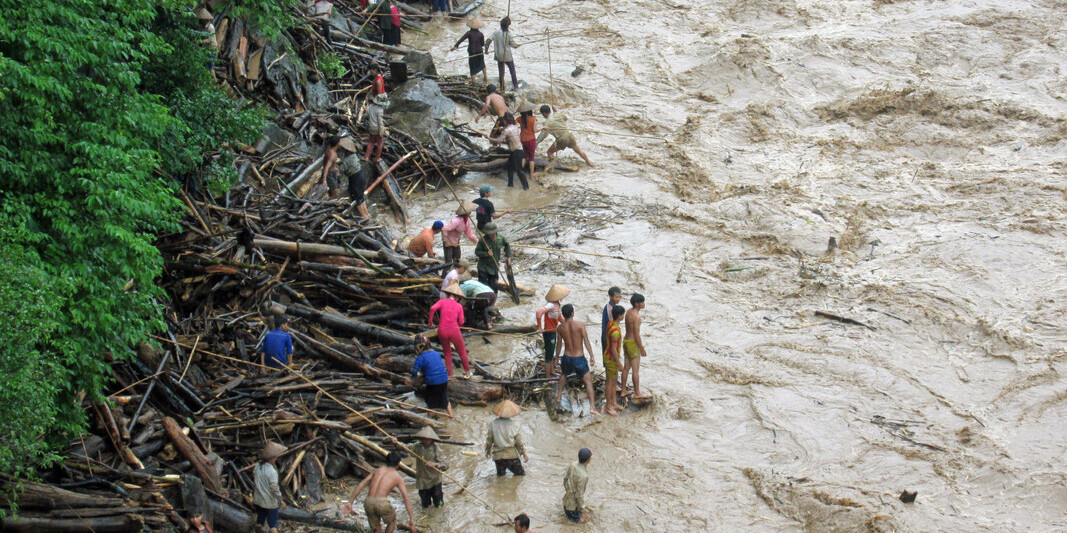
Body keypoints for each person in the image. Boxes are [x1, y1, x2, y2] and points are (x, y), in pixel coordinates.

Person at [342, 452, 415, 533]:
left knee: (376, 526)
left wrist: (350, 502)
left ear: (386, 461)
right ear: (398, 464)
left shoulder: (376, 471)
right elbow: (406, 498)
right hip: (382, 503)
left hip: (368, 501)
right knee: (392, 522)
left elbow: (361, 485)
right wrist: (411, 519)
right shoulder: (397, 476)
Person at [554, 304, 598, 415]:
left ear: (563, 315)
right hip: (579, 358)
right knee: (588, 381)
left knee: (563, 374)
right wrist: (592, 355)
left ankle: (559, 396)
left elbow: (559, 344)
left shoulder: (560, 328)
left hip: (567, 357)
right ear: (572, 313)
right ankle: (592, 407)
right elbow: (586, 341)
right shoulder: (580, 325)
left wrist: (556, 358)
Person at [429, 284, 471, 379]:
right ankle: (468, 372)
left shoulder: (442, 302)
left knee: (447, 352)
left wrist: (430, 322)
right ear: (457, 297)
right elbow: (461, 322)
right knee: (462, 351)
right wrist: (458, 325)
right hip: (454, 330)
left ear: (448, 294)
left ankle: (450, 375)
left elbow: (432, 309)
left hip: (442, 330)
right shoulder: (459, 306)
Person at [410, 335, 453, 417]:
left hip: (433, 382)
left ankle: (430, 419)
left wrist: (413, 379)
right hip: (444, 379)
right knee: (444, 397)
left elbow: (414, 371)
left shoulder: (420, 358)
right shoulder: (436, 353)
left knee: (431, 402)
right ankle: (451, 415)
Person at [405, 427, 447, 508]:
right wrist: (396, 443)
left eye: (427, 439)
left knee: (439, 504)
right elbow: (406, 448)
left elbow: (445, 464)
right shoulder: (417, 446)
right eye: (423, 439)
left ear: (431, 440)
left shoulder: (436, 449)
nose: (425, 441)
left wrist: (435, 464)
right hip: (422, 480)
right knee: (425, 504)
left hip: (434, 480)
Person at [620, 293, 651, 400]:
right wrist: (642, 348)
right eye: (642, 302)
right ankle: (637, 392)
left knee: (626, 367)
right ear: (637, 304)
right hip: (633, 343)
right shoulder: (637, 317)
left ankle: (623, 390)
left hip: (626, 341)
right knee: (635, 369)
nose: (644, 304)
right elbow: (637, 334)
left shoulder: (628, 312)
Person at [485, 399, 527, 477]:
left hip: (498, 457)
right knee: (520, 476)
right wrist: (524, 453)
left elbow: (489, 440)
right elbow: (518, 442)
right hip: (511, 456)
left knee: (500, 478)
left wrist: (487, 452)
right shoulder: (515, 424)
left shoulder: (493, 423)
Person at [536, 284, 569, 378]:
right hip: (549, 332)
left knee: (551, 352)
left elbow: (559, 317)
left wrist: (567, 323)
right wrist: (540, 327)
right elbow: (539, 312)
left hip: (554, 331)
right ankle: (548, 377)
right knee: (549, 355)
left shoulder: (556, 304)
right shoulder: (550, 305)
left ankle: (552, 371)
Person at [254, 441, 287, 533]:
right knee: (273, 525)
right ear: (272, 458)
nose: (276, 458)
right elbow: (274, 489)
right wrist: (281, 501)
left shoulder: (257, 466)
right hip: (270, 503)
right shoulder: (272, 471)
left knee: (260, 522)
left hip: (259, 500)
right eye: (275, 456)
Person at [490, 113, 528, 190]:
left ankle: (526, 187)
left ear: (505, 121)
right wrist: (503, 129)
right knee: (510, 167)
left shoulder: (506, 130)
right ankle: (510, 184)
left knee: (519, 170)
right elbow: (510, 138)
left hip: (516, 151)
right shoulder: (515, 127)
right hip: (517, 150)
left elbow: (498, 141)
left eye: (503, 121)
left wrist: (488, 138)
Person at [485, 16, 520, 91]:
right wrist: (518, 45)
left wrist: (486, 50)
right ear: (507, 26)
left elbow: (488, 41)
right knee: (512, 70)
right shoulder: (509, 34)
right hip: (507, 56)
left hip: (498, 56)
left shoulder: (495, 33)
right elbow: (514, 45)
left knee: (501, 72)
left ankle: (502, 88)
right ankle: (516, 86)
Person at [602, 304, 625, 416]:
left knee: (614, 380)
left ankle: (614, 402)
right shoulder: (615, 332)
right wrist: (620, 363)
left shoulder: (610, 323)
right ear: (620, 316)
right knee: (610, 382)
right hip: (611, 358)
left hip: (609, 357)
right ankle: (608, 406)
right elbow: (613, 350)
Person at [474, 222, 510, 293]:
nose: (490, 235)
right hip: (483, 267)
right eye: (488, 233)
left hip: (494, 266)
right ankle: (483, 302)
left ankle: (493, 302)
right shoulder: (482, 240)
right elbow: (477, 252)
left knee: (494, 287)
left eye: (491, 233)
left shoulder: (500, 238)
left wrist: (508, 256)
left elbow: (507, 245)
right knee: (482, 287)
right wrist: (486, 254)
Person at [452, 17, 488, 85]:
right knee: (482, 64)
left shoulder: (469, 33)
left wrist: (455, 46)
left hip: (472, 52)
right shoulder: (481, 34)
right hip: (479, 51)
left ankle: (473, 82)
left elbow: (461, 40)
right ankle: (486, 78)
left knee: (472, 67)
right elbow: (482, 44)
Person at [442, 201, 478, 266]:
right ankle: (445, 275)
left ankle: (456, 274)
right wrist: (446, 241)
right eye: (469, 212)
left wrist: (476, 241)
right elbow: (444, 229)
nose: (470, 213)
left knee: (457, 261)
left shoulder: (466, 221)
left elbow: (469, 234)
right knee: (448, 263)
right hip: (449, 243)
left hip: (456, 242)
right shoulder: (456, 221)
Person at [562, 448, 592, 524]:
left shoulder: (573, 464)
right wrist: (583, 511)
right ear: (588, 460)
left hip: (566, 502)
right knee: (582, 525)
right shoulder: (584, 476)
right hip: (572, 509)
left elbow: (565, 479)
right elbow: (579, 495)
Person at [341, 153, 370, 219]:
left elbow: (342, 169)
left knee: (357, 198)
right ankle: (367, 213)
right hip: (361, 175)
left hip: (355, 178)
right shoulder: (354, 155)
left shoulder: (346, 160)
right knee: (361, 196)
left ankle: (364, 216)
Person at [320, 134, 346, 199]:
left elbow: (330, 165)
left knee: (335, 188)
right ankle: (327, 202)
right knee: (335, 193)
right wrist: (324, 180)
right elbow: (326, 167)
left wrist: (335, 168)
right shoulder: (332, 155)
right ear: (338, 143)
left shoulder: (330, 150)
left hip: (332, 172)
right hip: (329, 175)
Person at [364, 93, 389, 163]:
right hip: (377, 128)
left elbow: (366, 115)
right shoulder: (380, 110)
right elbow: (380, 122)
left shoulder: (371, 106)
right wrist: (381, 131)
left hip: (371, 127)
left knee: (371, 142)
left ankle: (366, 156)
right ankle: (377, 157)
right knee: (380, 143)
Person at [518, 102, 538, 181]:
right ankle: (532, 174)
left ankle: (521, 171)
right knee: (532, 158)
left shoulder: (519, 119)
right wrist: (542, 128)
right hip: (531, 139)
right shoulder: (533, 119)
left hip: (522, 139)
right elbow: (535, 130)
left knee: (524, 155)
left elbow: (513, 123)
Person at [600, 286, 622, 353]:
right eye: (616, 297)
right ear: (610, 297)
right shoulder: (610, 309)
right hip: (607, 337)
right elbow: (611, 325)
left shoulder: (612, 307)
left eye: (619, 297)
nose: (618, 299)